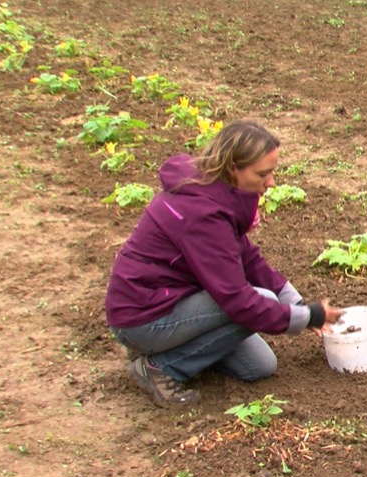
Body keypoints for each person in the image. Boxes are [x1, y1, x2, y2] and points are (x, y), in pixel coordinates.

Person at [105, 119, 344, 407]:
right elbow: (236, 299)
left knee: (259, 366)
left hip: (176, 301)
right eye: (263, 174)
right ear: (234, 168)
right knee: (257, 302)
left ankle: (180, 348)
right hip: (143, 316)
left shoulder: (214, 192)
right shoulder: (202, 213)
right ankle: (160, 367)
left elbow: (246, 256)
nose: (271, 182)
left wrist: (298, 302)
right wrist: (306, 317)